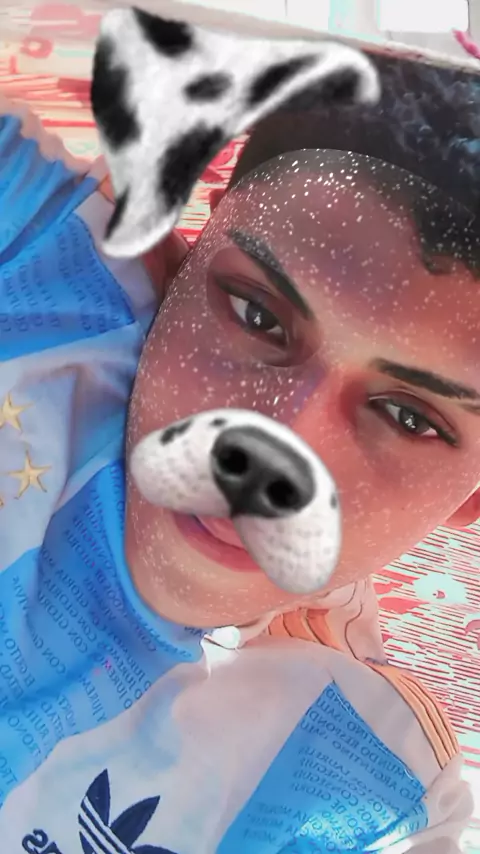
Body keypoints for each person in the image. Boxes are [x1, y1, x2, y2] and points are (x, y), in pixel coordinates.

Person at [0, 49, 478, 854]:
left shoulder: (364, 798)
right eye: (258, 316)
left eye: (406, 415)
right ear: (186, 255)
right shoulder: (42, 268)